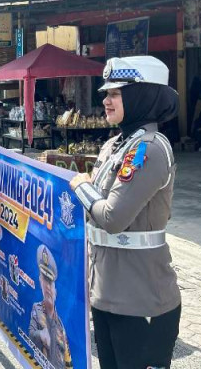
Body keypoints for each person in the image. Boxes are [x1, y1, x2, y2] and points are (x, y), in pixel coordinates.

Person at [69, 56, 181, 369]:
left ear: (141, 95)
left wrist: (79, 186)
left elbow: (112, 217)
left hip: (141, 299)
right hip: (106, 291)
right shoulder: (117, 144)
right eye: (106, 93)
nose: (105, 100)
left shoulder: (149, 148)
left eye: (115, 93)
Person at [28, 245, 72, 369]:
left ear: (55, 291)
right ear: (40, 282)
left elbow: (67, 358)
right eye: (45, 280)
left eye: (50, 282)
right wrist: (41, 334)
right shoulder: (37, 309)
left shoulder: (61, 325)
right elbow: (30, 334)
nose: (48, 287)